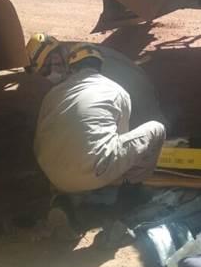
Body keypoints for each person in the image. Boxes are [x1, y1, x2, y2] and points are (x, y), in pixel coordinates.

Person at [26, 33, 166, 196]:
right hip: (96, 167)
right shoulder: (88, 62)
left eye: (50, 64)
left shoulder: (108, 72)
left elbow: (39, 143)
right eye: (44, 71)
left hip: (142, 103)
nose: (51, 73)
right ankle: (129, 191)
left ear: (62, 55)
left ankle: (65, 196)